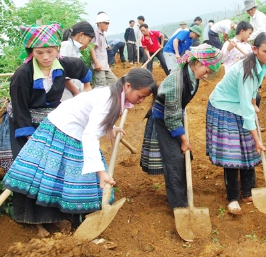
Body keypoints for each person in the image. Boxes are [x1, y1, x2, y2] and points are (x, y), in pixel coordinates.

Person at [3, 68, 157, 238]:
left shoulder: (113, 94)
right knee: (55, 176)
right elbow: (91, 134)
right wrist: (101, 172)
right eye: (140, 96)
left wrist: (111, 128)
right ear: (128, 86)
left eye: (145, 98)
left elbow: (93, 117)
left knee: (65, 177)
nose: (141, 101)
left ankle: (62, 217)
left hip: (74, 129)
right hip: (62, 128)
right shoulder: (108, 99)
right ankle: (45, 221)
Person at [5, 22, 93, 237]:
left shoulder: (64, 65)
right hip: (24, 125)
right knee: (30, 171)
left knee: (57, 167)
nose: (45, 57)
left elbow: (83, 71)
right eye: (39, 52)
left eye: (50, 51)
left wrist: (87, 91)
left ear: (57, 50)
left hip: (54, 121)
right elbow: (20, 109)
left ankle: (56, 216)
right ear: (32, 52)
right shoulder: (22, 75)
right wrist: (30, 138)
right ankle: (36, 222)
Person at [140, 44, 222, 210]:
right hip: (164, 119)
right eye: (206, 71)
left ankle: (182, 194)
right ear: (197, 63)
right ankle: (179, 206)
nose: (206, 75)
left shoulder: (190, 72)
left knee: (183, 157)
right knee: (174, 159)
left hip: (175, 114)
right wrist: (183, 139)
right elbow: (170, 118)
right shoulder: (176, 81)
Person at [206, 32, 266, 215]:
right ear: (255, 50)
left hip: (239, 105)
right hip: (222, 107)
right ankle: (233, 198)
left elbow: (253, 91)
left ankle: (247, 192)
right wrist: (257, 139)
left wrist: (254, 102)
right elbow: (245, 109)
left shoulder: (261, 65)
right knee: (232, 154)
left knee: (248, 150)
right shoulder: (247, 70)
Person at [243, 0, 266, 85]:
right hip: (261, 41)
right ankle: (259, 80)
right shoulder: (252, 18)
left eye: (251, 9)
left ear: (255, 8)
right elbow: (253, 31)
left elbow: (261, 31)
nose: (250, 12)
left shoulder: (260, 16)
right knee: (260, 59)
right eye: (248, 10)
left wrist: (249, 37)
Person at [60, 21, 95, 100]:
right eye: (89, 41)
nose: (88, 44)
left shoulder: (74, 49)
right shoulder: (66, 45)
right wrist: (76, 92)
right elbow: (64, 75)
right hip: (67, 93)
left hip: (73, 93)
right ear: (81, 35)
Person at [91, 12, 118, 87]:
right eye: (105, 23)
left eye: (108, 23)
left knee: (115, 83)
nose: (107, 25)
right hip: (99, 67)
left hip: (105, 66)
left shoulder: (103, 35)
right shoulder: (96, 34)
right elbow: (92, 49)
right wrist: (96, 63)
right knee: (100, 88)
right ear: (99, 23)